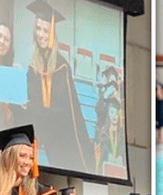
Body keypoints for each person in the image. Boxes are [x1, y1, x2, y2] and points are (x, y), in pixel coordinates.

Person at [25, 0, 95, 173]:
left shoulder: (61, 66)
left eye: (46, 30)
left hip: (64, 137)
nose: (41, 34)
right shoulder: (32, 67)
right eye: (39, 29)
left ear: (52, 33)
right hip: (48, 136)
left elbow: (68, 110)